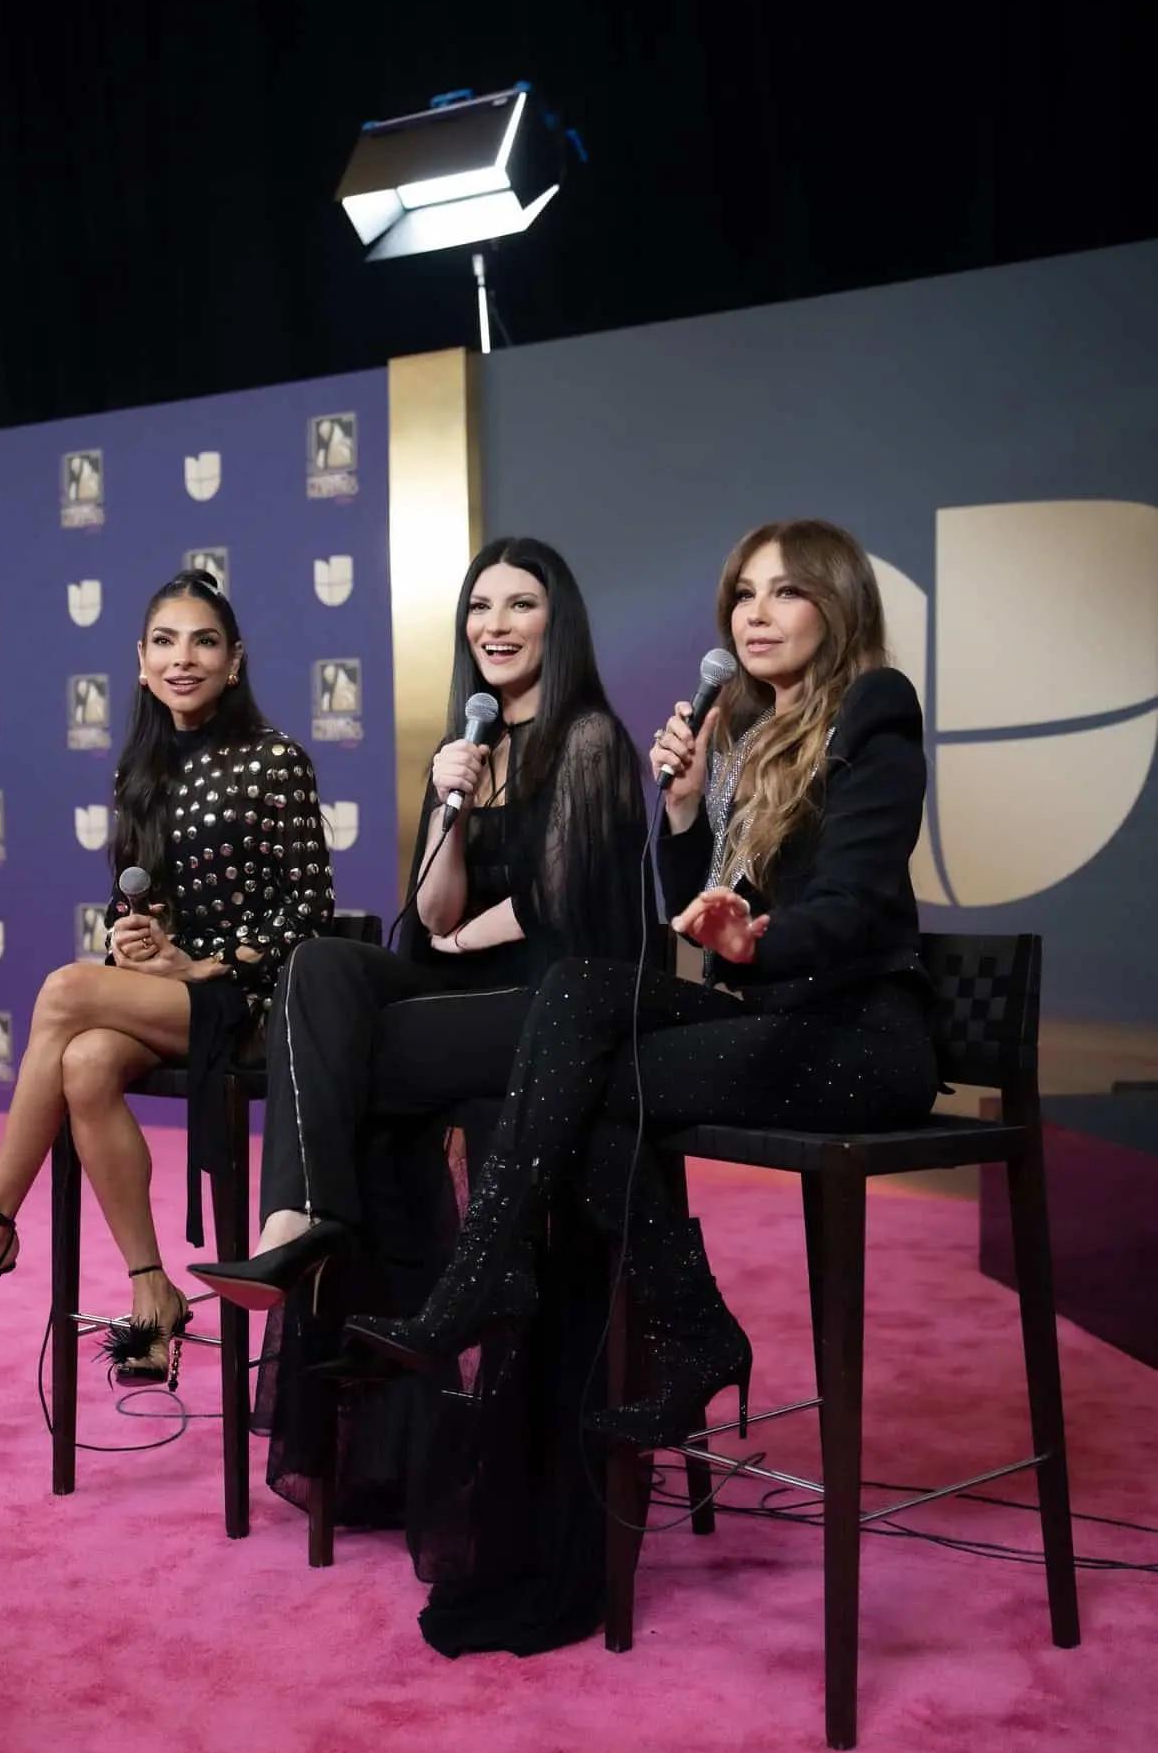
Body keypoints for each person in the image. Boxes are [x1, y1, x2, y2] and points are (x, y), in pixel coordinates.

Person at [346, 519, 941, 1653]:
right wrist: (679, 816)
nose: (755, 612)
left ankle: (504, 1279)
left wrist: (760, 939)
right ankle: (674, 1322)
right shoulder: (745, 730)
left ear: (839, 607)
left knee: (587, 1060)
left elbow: (858, 897)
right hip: (770, 1015)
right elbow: (690, 907)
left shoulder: (877, 708)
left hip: (862, 1035)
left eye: (786, 592)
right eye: (742, 594)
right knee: (582, 1008)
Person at [191, 536, 648, 1536]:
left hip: (552, 1002)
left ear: (555, 620)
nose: (495, 624)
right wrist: (450, 807)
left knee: (350, 1062)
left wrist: (464, 923)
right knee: (322, 964)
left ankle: (325, 1228)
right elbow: (430, 908)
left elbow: (560, 905)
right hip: (460, 989)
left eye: (519, 605)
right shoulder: (469, 744)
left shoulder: (590, 740)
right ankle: (299, 1220)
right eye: (480, 606)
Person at [0, 569, 333, 1381]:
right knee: (83, 1061)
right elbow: (147, 908)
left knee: (62, 991)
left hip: (256, 1001)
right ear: (139, 661)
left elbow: (309, 914)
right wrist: (147, 944)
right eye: (163, 642)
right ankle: (152, 1294)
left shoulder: (272, 761)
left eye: (203, 641)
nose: (181, 659)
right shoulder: (141, 772)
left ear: (235, 660)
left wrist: (204, 962)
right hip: (177, 994)